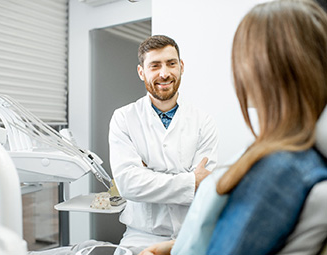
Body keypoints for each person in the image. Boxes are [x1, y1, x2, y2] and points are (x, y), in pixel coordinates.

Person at [139, 0, 327, 254]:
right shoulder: (290, 155)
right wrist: (176, 247)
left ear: (263, 70)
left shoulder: (279, 172)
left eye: (241, 57)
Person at [108, 35, 219, 254]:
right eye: (155, 66)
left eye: (171, 63)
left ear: (181, 67)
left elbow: (205, 185)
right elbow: (129, 184)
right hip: (141, 237)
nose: (164, 73)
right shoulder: (124, 118)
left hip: (192, 232)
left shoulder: (203, 121)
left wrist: (149, 176)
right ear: (142, 72)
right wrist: (189, 180)